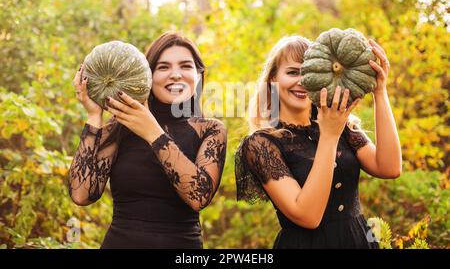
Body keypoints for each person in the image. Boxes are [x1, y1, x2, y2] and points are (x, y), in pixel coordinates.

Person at [235, 35, 402, 248]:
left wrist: (380, 91)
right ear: (273, 79)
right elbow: (308, 217)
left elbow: (390, 167)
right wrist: (329, 137)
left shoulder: (339, 123)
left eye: (310, 72)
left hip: (358, 240)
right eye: (292, 72)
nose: (302, 81)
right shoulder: (261, 144)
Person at [69, 32, 227, 248]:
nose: (176, 75)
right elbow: (82, 194)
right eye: (163, 67)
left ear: (198, 74)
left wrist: (153, 132)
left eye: (186, 66)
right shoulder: (119, 129)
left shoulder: (210, 130)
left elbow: (198, 197)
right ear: (148, 75)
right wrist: (94, 115)